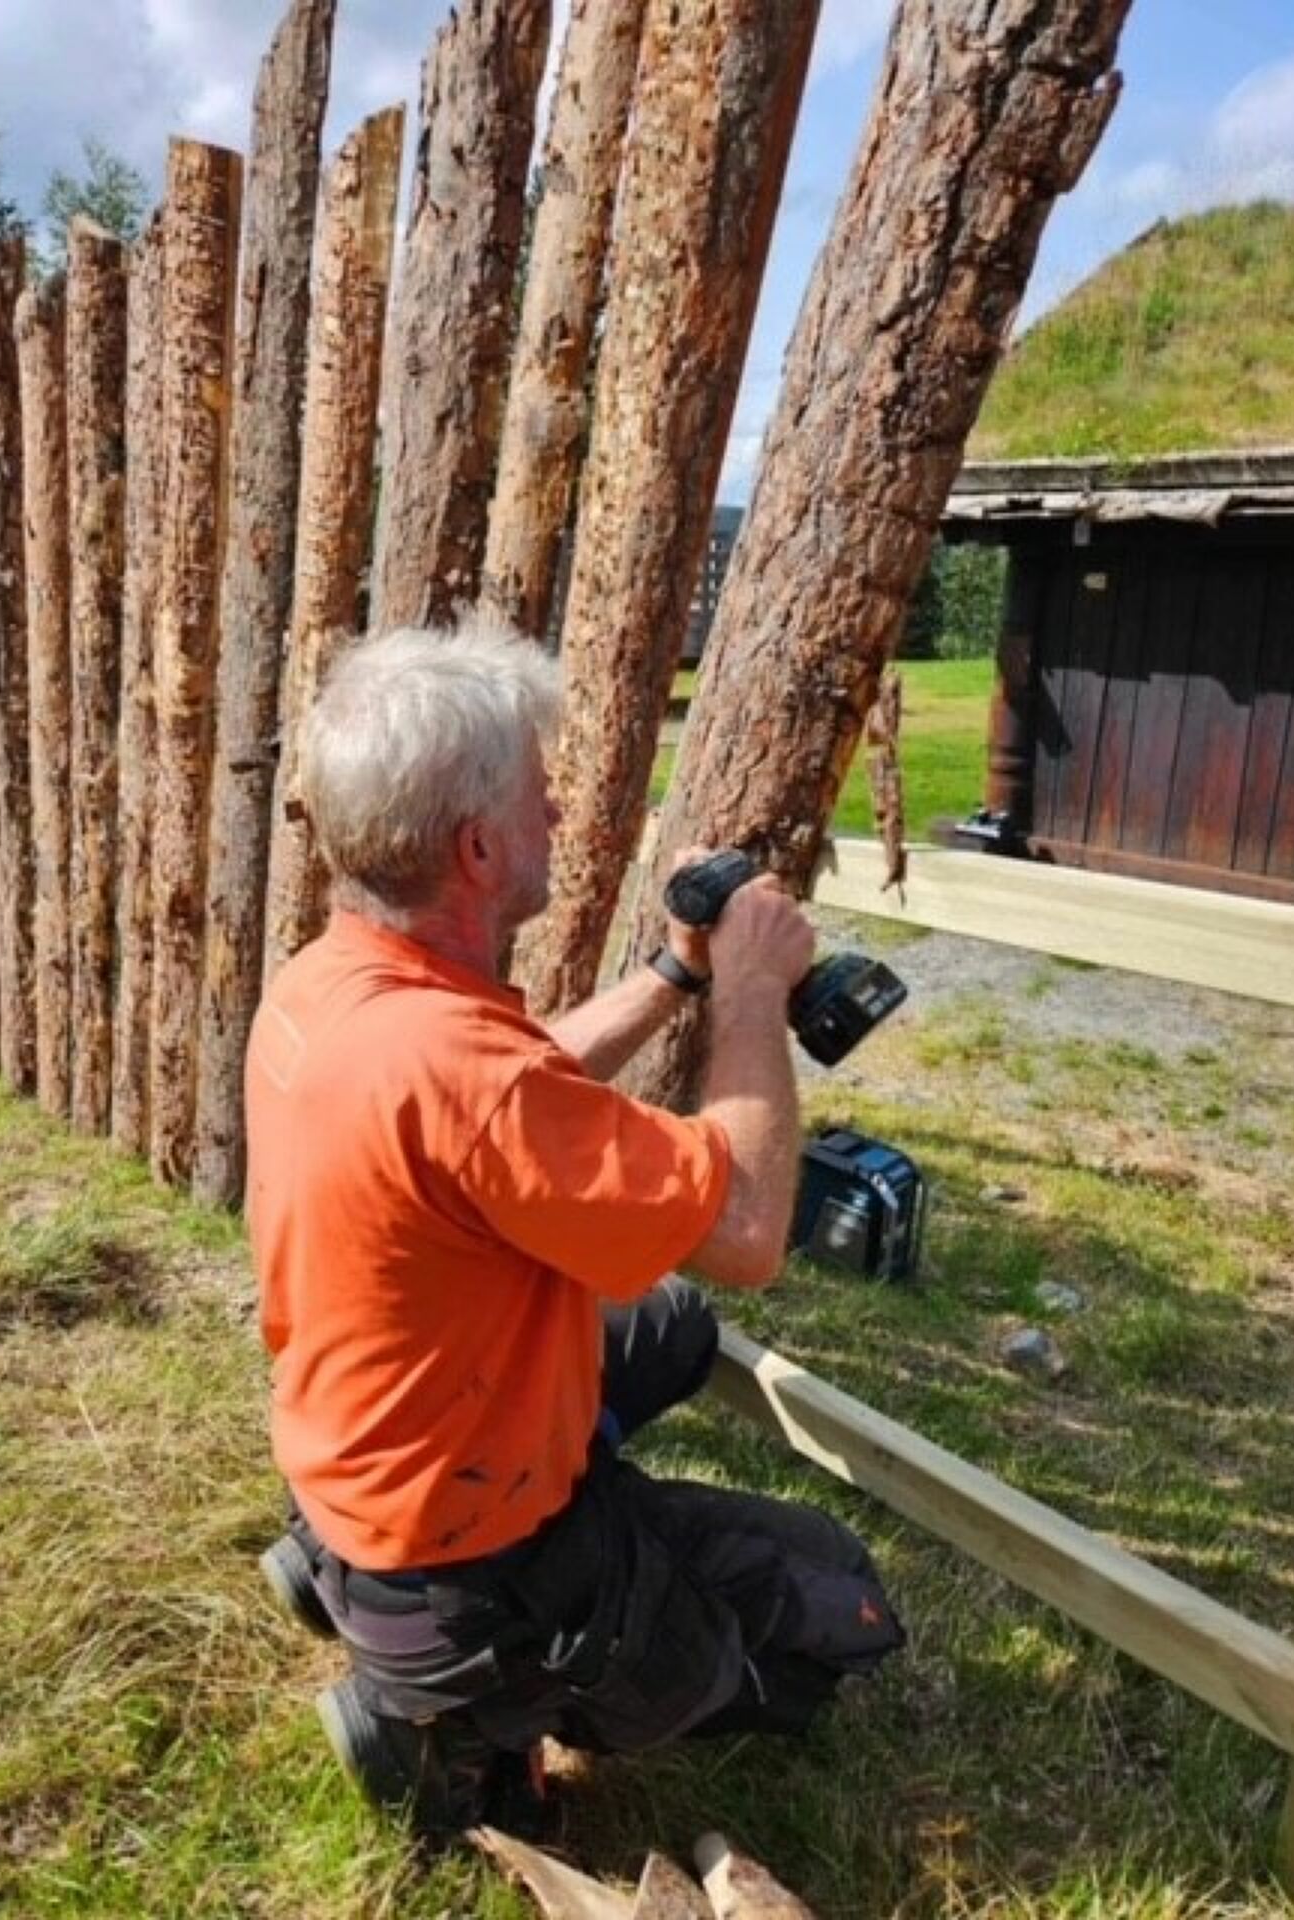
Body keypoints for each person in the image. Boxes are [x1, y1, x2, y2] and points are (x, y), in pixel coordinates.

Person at [245, 623, 902, 1837]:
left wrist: (678, 973)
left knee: (670, 1323)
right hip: (464, 1560)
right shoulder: (461, 1071)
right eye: (537, 794)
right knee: (832, 1609)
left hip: (366, 1446)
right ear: (478, 847)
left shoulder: (337, 982)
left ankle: (338, 1570)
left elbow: (514, 1083)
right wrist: (753, 992)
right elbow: (749, 1231)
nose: (556, 809)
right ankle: (445, 1727)